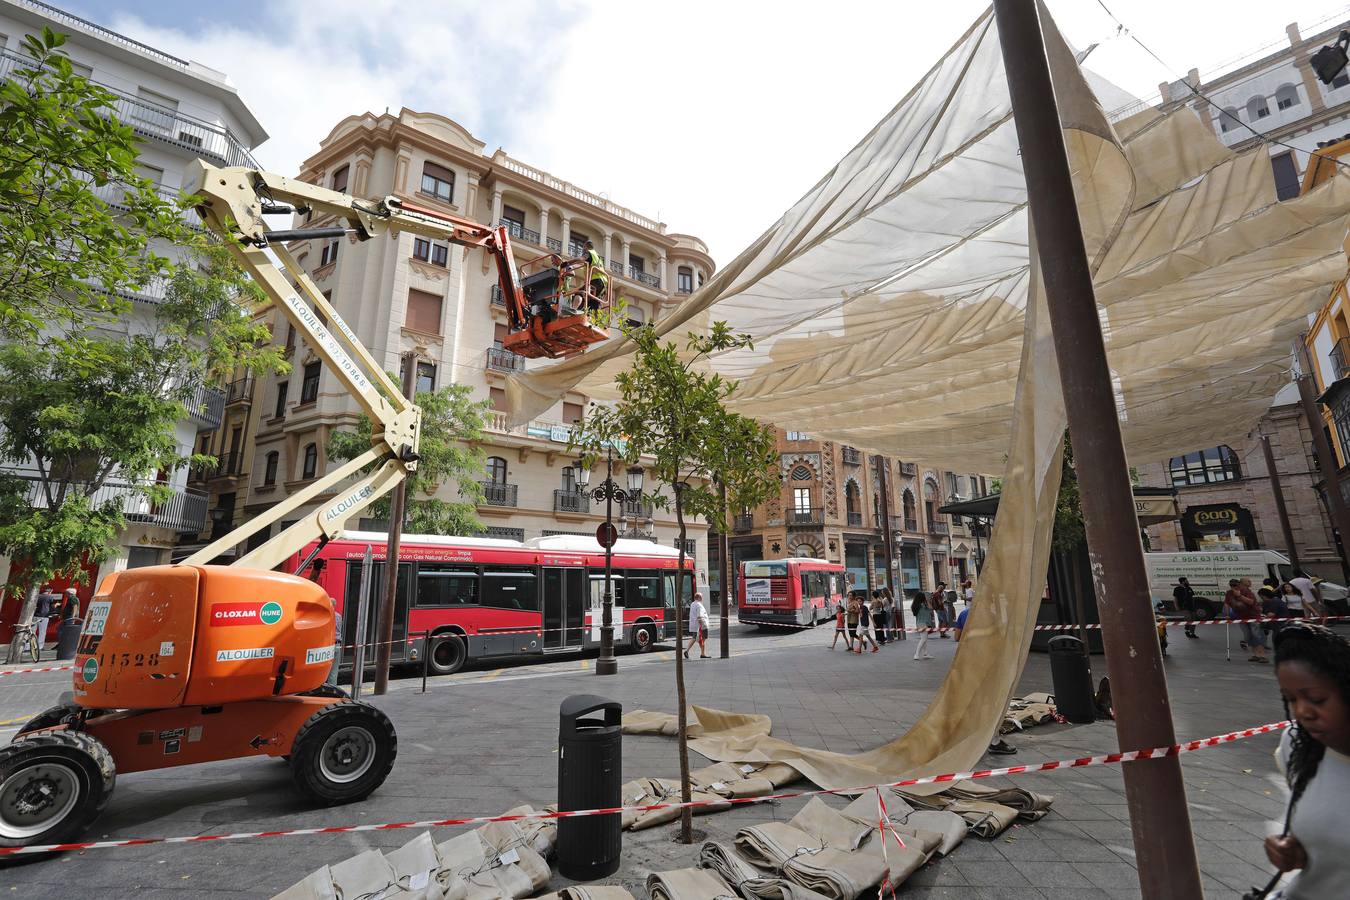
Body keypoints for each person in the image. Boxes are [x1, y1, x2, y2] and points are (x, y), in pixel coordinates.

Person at [1254, 622, 1350, 899]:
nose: (1302, 712)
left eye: (1317, 699)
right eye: (1291, 699)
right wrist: (1294, 848)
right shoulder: (1296, 743)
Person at [1225, 577, 1268, 663]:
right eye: (1232, 585)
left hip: (1253, 616)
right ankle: (1255, 655)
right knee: (1248, 636)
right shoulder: (1229, 593)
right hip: (1242, 617)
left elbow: (1251, 602)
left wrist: (1239, 596)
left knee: (1257, 635)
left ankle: (1262, 655)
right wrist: (1227, 614)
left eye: (1235, 585)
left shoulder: (1246, 591)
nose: (1234, 587)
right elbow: (1226, 603)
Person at [582, 239, 607, 313]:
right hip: (603, 283)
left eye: (583, 247)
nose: (583, 249)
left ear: (586, 247)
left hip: (595, 280)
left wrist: (569, 262)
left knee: (580, 293)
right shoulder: (598, 256)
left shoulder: (589, 253)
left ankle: (574, 309)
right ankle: (596, 320)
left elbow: (581, 259)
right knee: (594, 303)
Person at [32, 586, 59, 652]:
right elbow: (52, 607)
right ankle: (40, 647)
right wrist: (57, 605)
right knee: (42, 632)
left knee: (32, 631)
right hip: (44, 617)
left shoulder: (38, 596)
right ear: (50, 591)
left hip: (35, 615)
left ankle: (29, 647)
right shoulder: (50, 597)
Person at [684, 591, 710, 659]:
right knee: (703, 638)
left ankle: (687, 650)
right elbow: (699, 616)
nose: (702, 598)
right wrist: (701, 626)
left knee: (694, 637)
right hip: (701, 624)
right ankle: (702, 654)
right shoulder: (699, 605)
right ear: (699, 597)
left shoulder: (692, 604)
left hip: (694, 624)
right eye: (701, 597)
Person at [912, 589, 935, 660]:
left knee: (924, 638)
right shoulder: (923, 605)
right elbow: (931, 608)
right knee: (923, 639)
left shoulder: (916, 605)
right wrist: (928, 600)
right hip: (923, 623)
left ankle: (925, 653)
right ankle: (916, 654)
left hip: (919, 623)